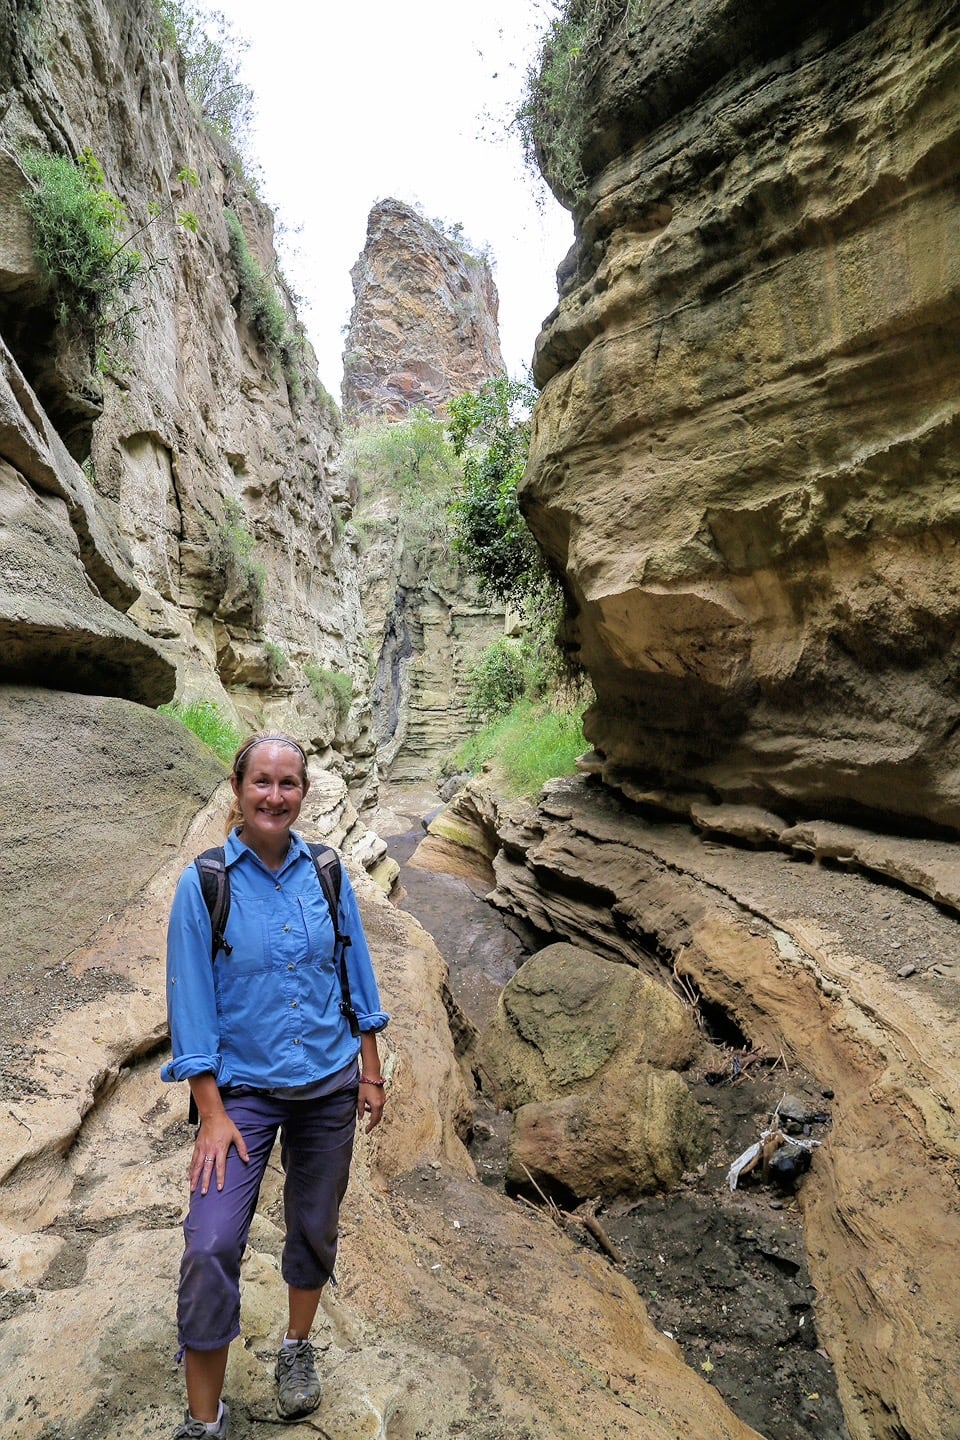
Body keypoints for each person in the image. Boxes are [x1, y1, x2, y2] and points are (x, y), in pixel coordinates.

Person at [161, 732, 389, 1439]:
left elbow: (355, 967)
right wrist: (211, 1112)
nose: (274, 796)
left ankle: (295, 1347)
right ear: (238, 789)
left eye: (288, 784)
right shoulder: (205, 883)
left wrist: (371, 1067)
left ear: (303, 794)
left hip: (328, 1085)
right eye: (262, 781)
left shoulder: (326, 871)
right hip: (243, 1096)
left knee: (314, 1225)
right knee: (209, 1243)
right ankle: (207, 1422)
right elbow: (189, 998)